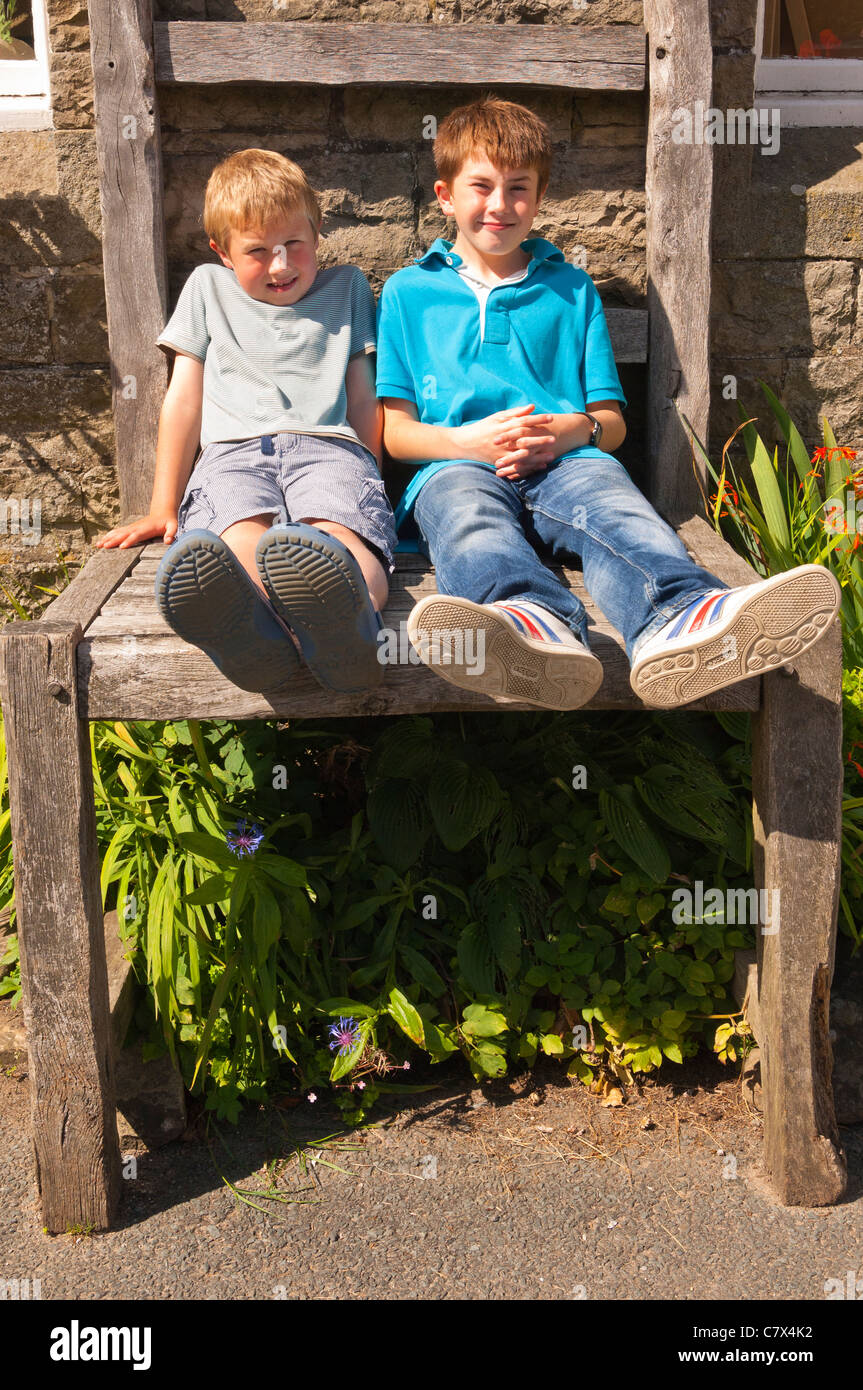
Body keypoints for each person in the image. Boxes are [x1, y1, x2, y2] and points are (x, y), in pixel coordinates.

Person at [375, 97, 840, 709]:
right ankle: (529, 623)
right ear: (445, 194)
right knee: (469, 521)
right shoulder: (410, 293)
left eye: (519, 189)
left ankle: (677, 617)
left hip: (568, 463)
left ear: (539, 198)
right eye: (481, 186)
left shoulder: (570, 290)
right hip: (454, 466)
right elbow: (396, 434)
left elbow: (612, 423)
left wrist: (573, 432)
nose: (499, 205)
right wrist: (468, 443)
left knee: (614, 506)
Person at [95, 148, 397, 694]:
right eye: (258, 251)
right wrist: (163, 505)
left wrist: (370, 478)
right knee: (236, 539)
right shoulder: (208, 288)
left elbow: (361, 397)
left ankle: (352, 629)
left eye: (294, 246)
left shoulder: (347, 286)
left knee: (337, 535)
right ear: (223, 252)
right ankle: (258, 638)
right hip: (233, 454)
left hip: (328, 447)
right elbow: (184, 399)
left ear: (318, 232)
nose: (281, 265)